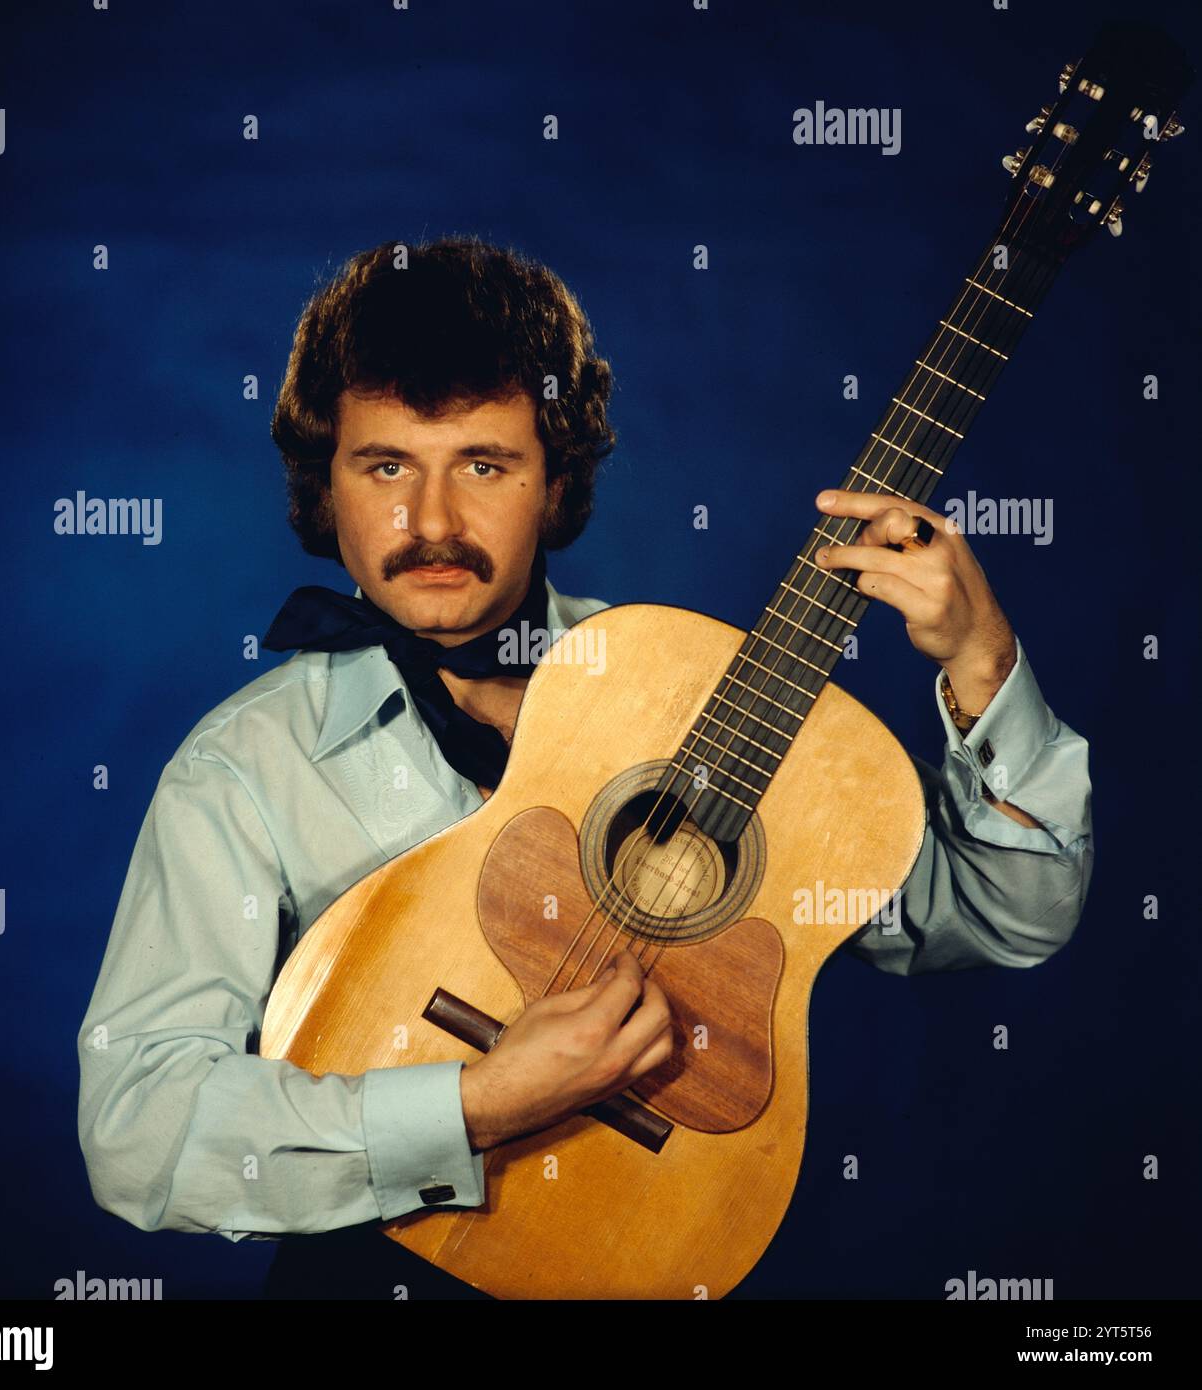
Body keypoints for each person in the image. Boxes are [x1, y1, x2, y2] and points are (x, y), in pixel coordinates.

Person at [76, 235, 1093, 1299]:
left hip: (655, 1262)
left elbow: (1008, 918)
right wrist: (476, 1103)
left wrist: (981, 663)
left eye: (484, 464)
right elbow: (137, 1129)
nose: (430, 522)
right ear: (323, 483)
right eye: (385, 466)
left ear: (554, 479)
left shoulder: (703, 697)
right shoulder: (244, 766)